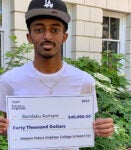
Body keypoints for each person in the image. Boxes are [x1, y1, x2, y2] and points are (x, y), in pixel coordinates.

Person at [0, 0, 114, 149]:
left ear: (64, 37)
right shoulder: (9, 80)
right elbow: (11, 131)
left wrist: (102, 128)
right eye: (39, 29)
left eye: (55, 30)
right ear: (29, 37)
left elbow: (83, 129)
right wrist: (2, 129)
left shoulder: (84, 81)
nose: (47, 36)